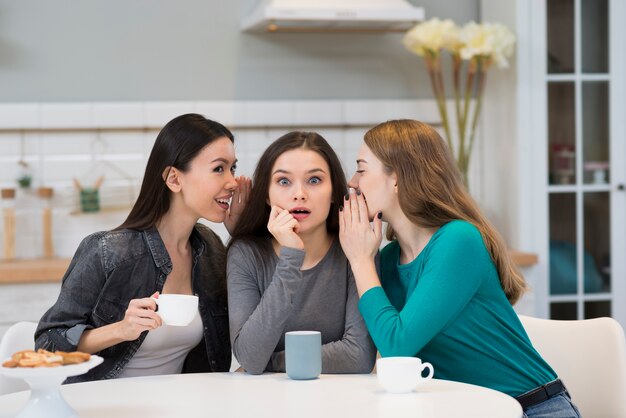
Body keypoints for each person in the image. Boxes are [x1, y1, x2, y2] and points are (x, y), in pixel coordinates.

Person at [338, 119, 581, 417]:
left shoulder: (457, 241)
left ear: (398, 178)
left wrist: (361, 261)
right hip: (470, 410)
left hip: (533, 409)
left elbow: (396, 346)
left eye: (362, 169)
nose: (352, 181)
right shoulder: (387, 261)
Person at [35, 113, 250, 382]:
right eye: (219, 168)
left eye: (233, 168)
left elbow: (253, 331)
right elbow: (47, 346)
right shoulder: (107, 252)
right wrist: (121, 329)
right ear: (174, 179)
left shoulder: (211, 251)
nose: (232, 182)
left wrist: (243, 235)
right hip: (101, 406)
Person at [227, 131, 376, 375]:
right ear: (266, 194)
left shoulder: (356, 249)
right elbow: (250, 356)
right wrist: (291, 257)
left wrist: (272, 362)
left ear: (333, 192)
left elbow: (359, 356)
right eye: (284, 181)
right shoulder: (246, 254)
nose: (299, 194)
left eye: (314, 180)